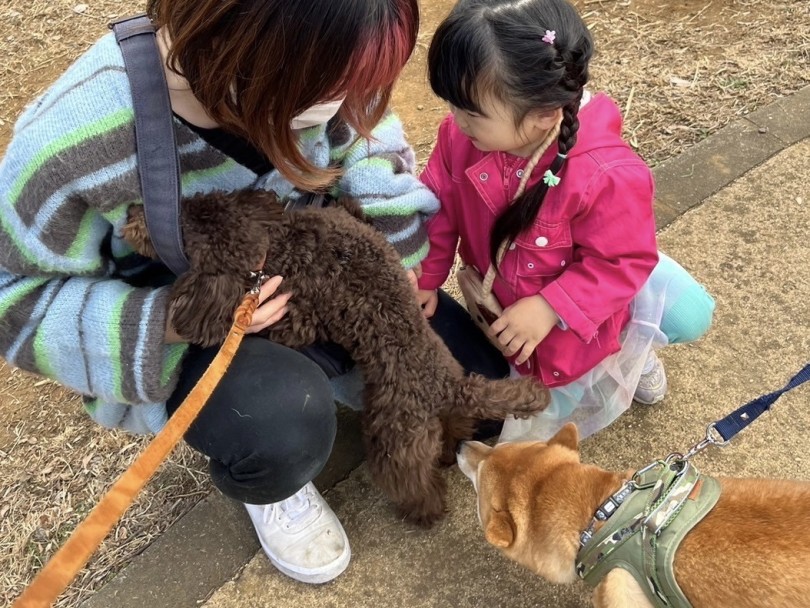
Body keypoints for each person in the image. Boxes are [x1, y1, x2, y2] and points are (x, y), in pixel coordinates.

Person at [0, 0, 510, 586]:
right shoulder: (72, 137)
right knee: (280, 422)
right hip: (205, 334)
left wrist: (405, 270)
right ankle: (272, 482)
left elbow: (368, 145)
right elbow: (14, 301)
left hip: (322, 278)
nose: (346, 107)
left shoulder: (319, 73)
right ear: (242, 51)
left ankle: (335, 377)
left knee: (479, 394)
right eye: (332, 89)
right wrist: (171, 319)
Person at [416, 0, 716, 441]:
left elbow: (620, 260)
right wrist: (428, 274)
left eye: (471, 112)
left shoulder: (609, 175)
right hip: (518, 288)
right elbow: (438, 203)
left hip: (565, 298)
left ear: (545, 115)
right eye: (453, 105)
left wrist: (550, 306)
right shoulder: (460, 137)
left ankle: (634, 349)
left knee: (548, 412)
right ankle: (628, 336)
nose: (456, 123)